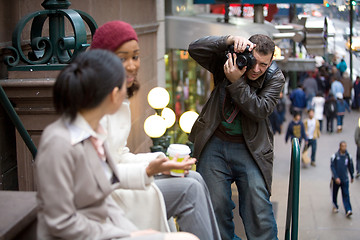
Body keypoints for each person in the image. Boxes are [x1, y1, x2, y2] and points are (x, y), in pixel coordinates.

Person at [35, 49, 199, 240]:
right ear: (114, 95)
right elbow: (61, 223)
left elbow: (106, 200)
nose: (127, 93)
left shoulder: (93, 134)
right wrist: (127, 235)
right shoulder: (58, 143)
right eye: (123, 87)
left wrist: (132, 232)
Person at [91, 21, 221, 240]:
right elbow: (97, 175)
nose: (132, 65)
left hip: (122, 183)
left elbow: (118, 154)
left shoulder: (117, 96)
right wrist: (150, 170)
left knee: (195, 178)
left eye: (135, 56)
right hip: (108, 198)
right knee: (190, 190)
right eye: (122, 58)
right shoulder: (94, 105)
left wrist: (160, 163)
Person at [188, 34, 285, 240]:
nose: (257, 69)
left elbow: (260, 109)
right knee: (214, 206)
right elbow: (195, 49)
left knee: (258, 206)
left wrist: (237, 82)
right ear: (247, 52)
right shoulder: (229, 61)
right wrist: (228, 40)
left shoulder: (275, 77)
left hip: (250, 148)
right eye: (254, 61)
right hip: (215, 142)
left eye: (264, 64)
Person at [330, 141, 354, 217]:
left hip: (344, 179)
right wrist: (336, 177)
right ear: (340, 147)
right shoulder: (335, 156)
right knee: (335, 193)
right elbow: (332, 167)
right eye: (343, 146)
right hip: (336, 179)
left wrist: (352, 176)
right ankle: (335, 205)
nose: (344, 148)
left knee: (346, 194)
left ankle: (348, 209)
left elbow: (350, 166)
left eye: (345, 146)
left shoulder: (348, 156)